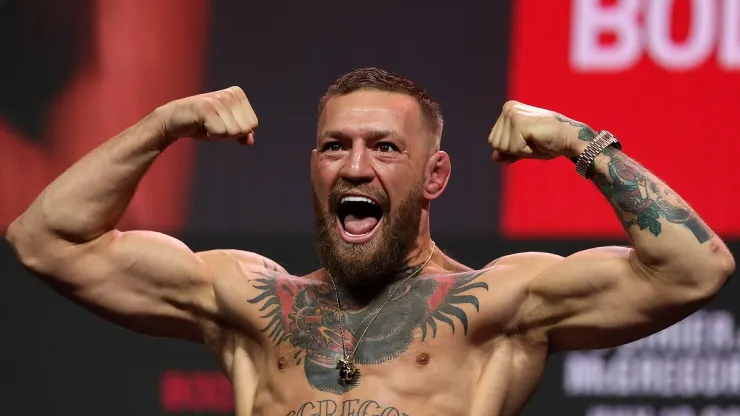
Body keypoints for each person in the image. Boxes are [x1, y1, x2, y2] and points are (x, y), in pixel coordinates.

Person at [6, 67, 734, 416]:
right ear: (313, 167)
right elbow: (46, 240)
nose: (355, 166)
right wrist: (161, 122)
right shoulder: (256, 305)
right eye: (335, 147)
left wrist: (580, 142)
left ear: (434, 176)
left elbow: (692, 271)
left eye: (385, 148)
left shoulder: (498, 305)